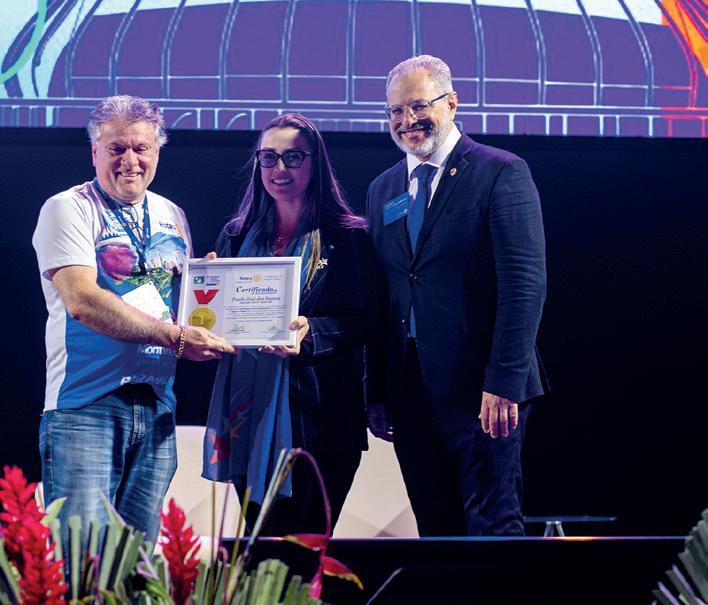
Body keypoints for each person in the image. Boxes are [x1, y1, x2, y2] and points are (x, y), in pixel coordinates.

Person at [32, 95, 233, 549]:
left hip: (157, 404)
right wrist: (177, 337)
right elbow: (83, 301)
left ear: (156, 152)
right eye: (116, 148)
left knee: (137, 565)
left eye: (141, 148)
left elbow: (175, 303)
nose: (130, 161)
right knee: (83, 564)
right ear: (95, 152)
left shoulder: (171, 214)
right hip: (85, 404)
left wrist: (210, 287)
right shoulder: (68, 208)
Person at [366, 56, 547, 536]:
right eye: (395, 111)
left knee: (493, 525)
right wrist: (378, 391)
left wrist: (504, 382)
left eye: (418, 106)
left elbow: (524, 283)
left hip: (482, 389)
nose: (407, 120)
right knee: (435, 530)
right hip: (411, 391)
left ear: (451, 103)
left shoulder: (500, 172)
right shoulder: (383, 190)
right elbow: (386, 294)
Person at [202, 113, 382, 535]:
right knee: (261, 550)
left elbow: (369, 320)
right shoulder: (235, 236)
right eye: (268, 157)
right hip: (247, 416)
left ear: (315, 163)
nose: (279, 168)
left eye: (293, 157)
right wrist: (205, 291)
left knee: (305, 548)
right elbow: (217, 321)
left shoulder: (348, 237)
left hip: (323, 420)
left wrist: (310, 332)